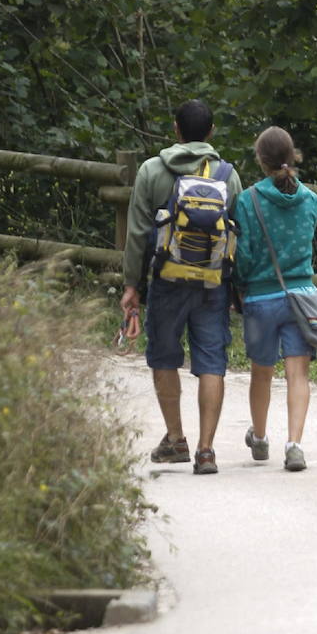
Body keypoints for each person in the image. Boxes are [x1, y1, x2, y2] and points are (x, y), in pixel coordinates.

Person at [120, 100, 242, 475]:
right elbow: (238, 235)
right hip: (211, 283)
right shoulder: (228, 175)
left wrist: (132, 286)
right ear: (211, 133)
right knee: (211, 362)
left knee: (164, 355)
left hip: (166, 280)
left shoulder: (152, 171)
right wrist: (237, 289)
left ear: (175, 129)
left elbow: (138, 234)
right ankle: (206, 450)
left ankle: (175, 439)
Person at [233, 126, 317, 472]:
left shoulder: (248, 200)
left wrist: (238, 288)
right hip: (301, 296)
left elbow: (243, 255)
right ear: (293, 155)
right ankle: (295, 445)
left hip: (260, 297)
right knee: (298, 373)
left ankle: (260, 438)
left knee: (261, 372)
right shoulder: (311, 200)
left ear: (260, 159)